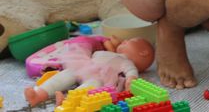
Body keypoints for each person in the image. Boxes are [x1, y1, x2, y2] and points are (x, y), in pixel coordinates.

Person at [24, 36, 155, 106]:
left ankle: (68, 101)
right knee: (65, 74)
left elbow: (131, 71)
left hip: (100, 75)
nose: (124, 40)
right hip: (84, 66)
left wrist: (131, 80)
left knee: (92, 86)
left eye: (130, 41)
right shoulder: (109, 52)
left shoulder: (127, 61)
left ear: (143, 52)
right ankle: (39, 93)